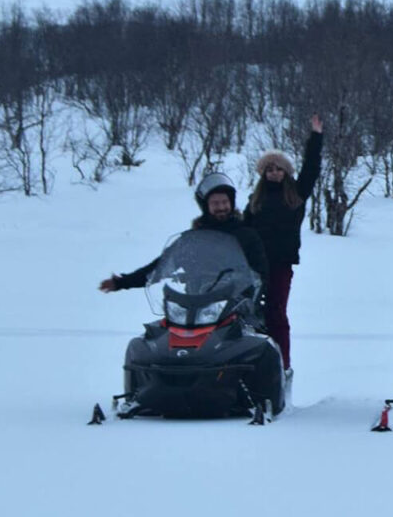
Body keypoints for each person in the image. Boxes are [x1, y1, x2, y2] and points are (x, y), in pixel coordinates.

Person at [99, 172, 269, 296]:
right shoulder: (193, 238)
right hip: (196, 301)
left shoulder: (246, 235)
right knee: (159, 331)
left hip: (236, 304)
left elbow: (260, 273)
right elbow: (160, 267)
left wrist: (249, 288)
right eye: (215, 203)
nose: (221, 207)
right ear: (206, 206)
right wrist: (122, 282)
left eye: (225, 202)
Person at [243, 114, 323, 370]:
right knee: (248, 314)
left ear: (285, 171)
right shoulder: (255, 200)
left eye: (278, 169)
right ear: (263, 173)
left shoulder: (296, 194)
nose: (274, 173)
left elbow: (311, 168)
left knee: (276, 314)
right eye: (269, 169)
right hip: (253, 266)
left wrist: (316, 138)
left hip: (280, 265)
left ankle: (282, 364)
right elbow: (242, 229)